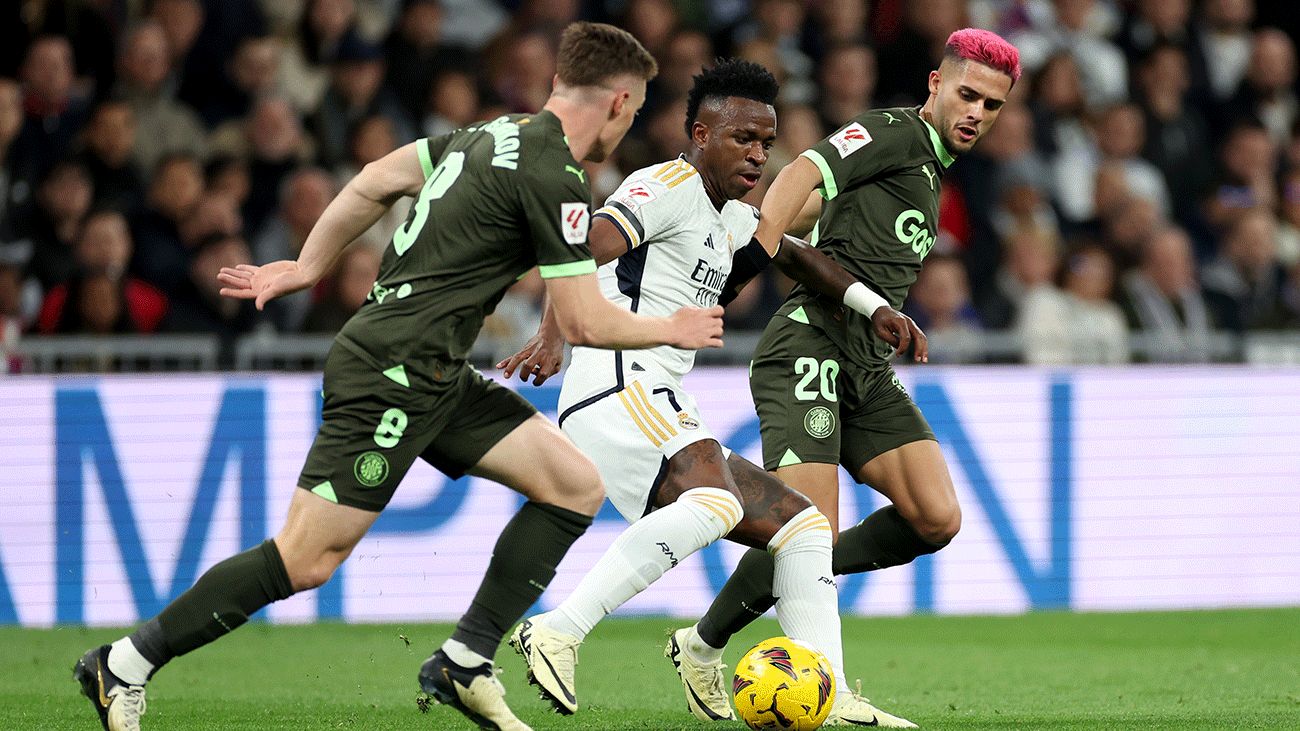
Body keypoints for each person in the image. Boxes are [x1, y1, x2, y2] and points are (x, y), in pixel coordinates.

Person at [73, 22, 724, 731]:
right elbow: (586, 320)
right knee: (306, 557)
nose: (624, 130)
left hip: (433, 370)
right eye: (631, 114)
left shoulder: (488, 135)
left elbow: (377, 179)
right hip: (392, 373)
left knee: (573, 483)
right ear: (620, 101)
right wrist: (674, 325)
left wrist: (308, 264)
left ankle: (466, 660)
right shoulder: (555, 172)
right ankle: (123, 664)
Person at [497, 59, 925, 728]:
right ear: (700, 133)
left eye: (766, 141)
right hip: (615, 382)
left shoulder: (729, 216)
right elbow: (581, 245)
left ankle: (823, 688)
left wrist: (872, 306)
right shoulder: (664, 186)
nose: (759, 154)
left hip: (657, 394)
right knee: (716, 501)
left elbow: (795, 255)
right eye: (742, 138)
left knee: (804, 525)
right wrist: (557, 332)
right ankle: (559, 629)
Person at [667, 27, 1021, 719]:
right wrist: (750, 250)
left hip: (864, 361)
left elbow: (808, 211)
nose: (977, 111)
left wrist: (775, 229)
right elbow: (801, 172)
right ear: (935, 85)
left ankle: (707, 637)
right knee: (807, 530)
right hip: (808, 348)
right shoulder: (894, 132)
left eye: (993, 104)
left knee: (934, 516)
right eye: (967, 94)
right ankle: (825, 685)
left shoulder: (931, 169)